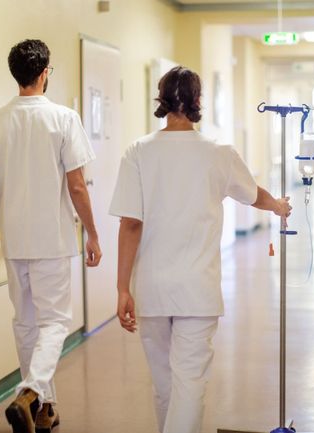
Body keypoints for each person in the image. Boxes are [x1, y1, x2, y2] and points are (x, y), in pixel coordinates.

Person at [109, 66, 292, 433]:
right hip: (197, 289)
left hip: (152, 289)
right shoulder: (218, 152)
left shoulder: (138, 152)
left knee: (164, 386)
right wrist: (278, 206)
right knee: (189, 384)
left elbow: (130, 224)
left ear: (161, 100)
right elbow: (252, 194)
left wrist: (122, 288)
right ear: (197, 102)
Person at [0, 39, 102, 433]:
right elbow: (77, 187)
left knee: (26, 325)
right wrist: (93, 234)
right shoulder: (63, 118)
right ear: (45, 73)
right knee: (56, 323)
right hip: (53, 240)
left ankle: (42, 408)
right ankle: (30, 391)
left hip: (15, 242)